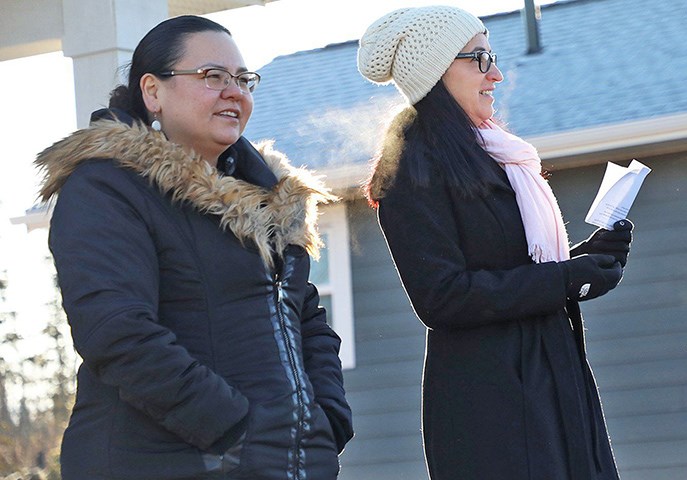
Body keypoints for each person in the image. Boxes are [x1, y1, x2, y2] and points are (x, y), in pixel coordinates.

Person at [36, 15, 352, 480]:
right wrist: (237, 432)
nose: (234, 91)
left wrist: (326, 419)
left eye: (243, 79)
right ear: (153, 92)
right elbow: (119, 335)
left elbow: (306, 318)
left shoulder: (268, 202)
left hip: (281, 462)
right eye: (212, 77)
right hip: (165, 463)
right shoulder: (107, 188)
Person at [357, 6, 633, 480]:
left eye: (494, 56)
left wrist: (586, 264)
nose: (497, 74)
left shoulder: (494, 157)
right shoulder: (413, 167)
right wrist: (565, 279)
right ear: (434, 72)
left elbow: (517, 268)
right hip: (492, 400)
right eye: (479, 59)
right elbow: (443, 297)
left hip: (551, 375)